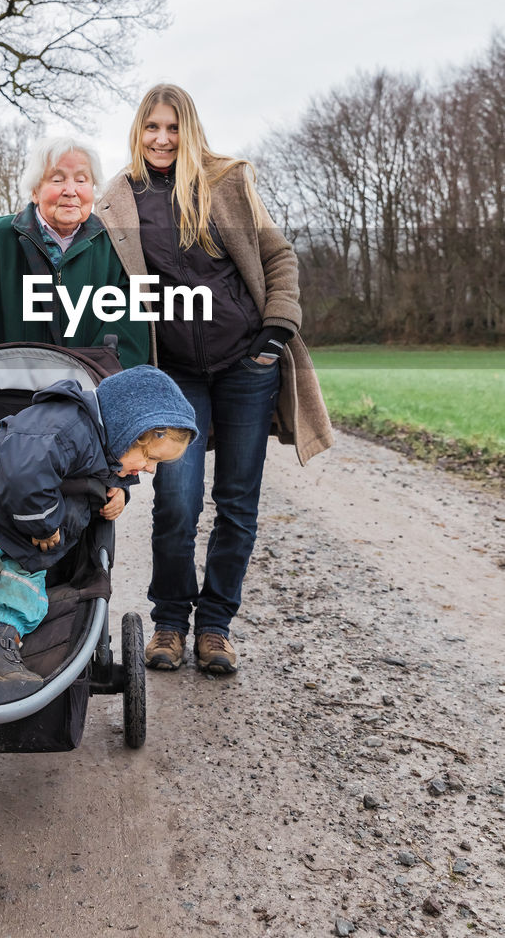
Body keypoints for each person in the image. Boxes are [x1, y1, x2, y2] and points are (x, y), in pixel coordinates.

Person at [97, 85, 333, 675]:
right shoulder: (119, 198)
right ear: (137, 130)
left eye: (172, 128)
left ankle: (216, 627)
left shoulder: (226, 182)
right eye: (151, 127)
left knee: (236, 502)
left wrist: (275, 331)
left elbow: (279, 257)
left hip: (243, 364)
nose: (161, 139)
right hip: (173, 376)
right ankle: (171, 622)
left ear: (189, 130)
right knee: (176, 502)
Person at [0, 365, 197, 683]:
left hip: (21, 541)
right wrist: (45, 525)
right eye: (150, 459)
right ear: (127, 431)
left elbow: (106, 466)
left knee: (20, 592)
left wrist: (118, 489)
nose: (150, 469)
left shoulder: (105, 443)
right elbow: (24, 473)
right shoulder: (64, 425)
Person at [0, 136, 149, 370]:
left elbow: (130, 332)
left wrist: (88, 378)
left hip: (89, 395)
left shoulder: (117, 245)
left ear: (93, 190)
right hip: (2, 397)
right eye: (57, 179)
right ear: (35, 190)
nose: (71, 191)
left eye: (81, 180)